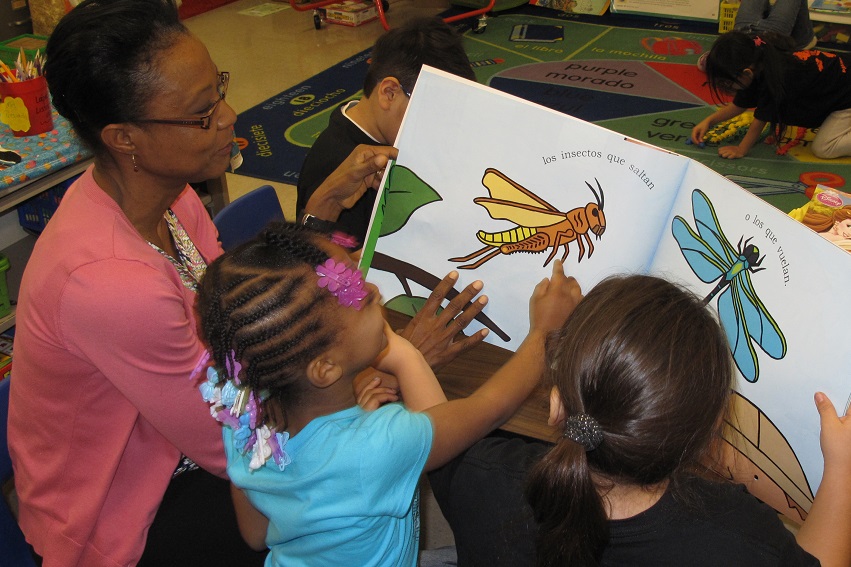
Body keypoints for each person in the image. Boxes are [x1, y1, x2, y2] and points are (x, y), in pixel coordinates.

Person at [7, 0, 480, 565]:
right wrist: (376, 364)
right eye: (202, 114)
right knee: (361, 472)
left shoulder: (171, 193)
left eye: (219, 90)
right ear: (124, 137)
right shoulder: (109, 283)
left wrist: (319, 214)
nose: (229, 115)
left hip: (198, 436)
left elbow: (243, 313)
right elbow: (242, 444)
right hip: (129, 513)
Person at [193, 221, 582, 566]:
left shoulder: (245, 417)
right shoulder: (377, 444)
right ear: (325, 368)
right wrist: (544, 333)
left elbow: (255, 534)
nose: (376, 291)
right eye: (363, 300)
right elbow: (485, 409)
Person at [429, 274, 851, 566]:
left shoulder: (481, 475)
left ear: (557, 405)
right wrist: (843, 469)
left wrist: (540, 335)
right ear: (703, 441)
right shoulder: (737, 535)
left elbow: (430, 425)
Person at [296, 16, 476, 247]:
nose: (442, 128)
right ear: (389, 93)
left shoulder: (387, 134)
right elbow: (341, 269)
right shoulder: (338, 168)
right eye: (434, 112)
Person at [691, 30, 851, 160]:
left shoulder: (775, 77)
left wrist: (740, 149)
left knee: (824, 148)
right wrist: (708, 121)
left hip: (846, 96)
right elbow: (738, 106)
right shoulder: (756, 64)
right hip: (840, 86)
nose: (724, 89)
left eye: (725, 84)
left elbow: (760, 120)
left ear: (746, 73)